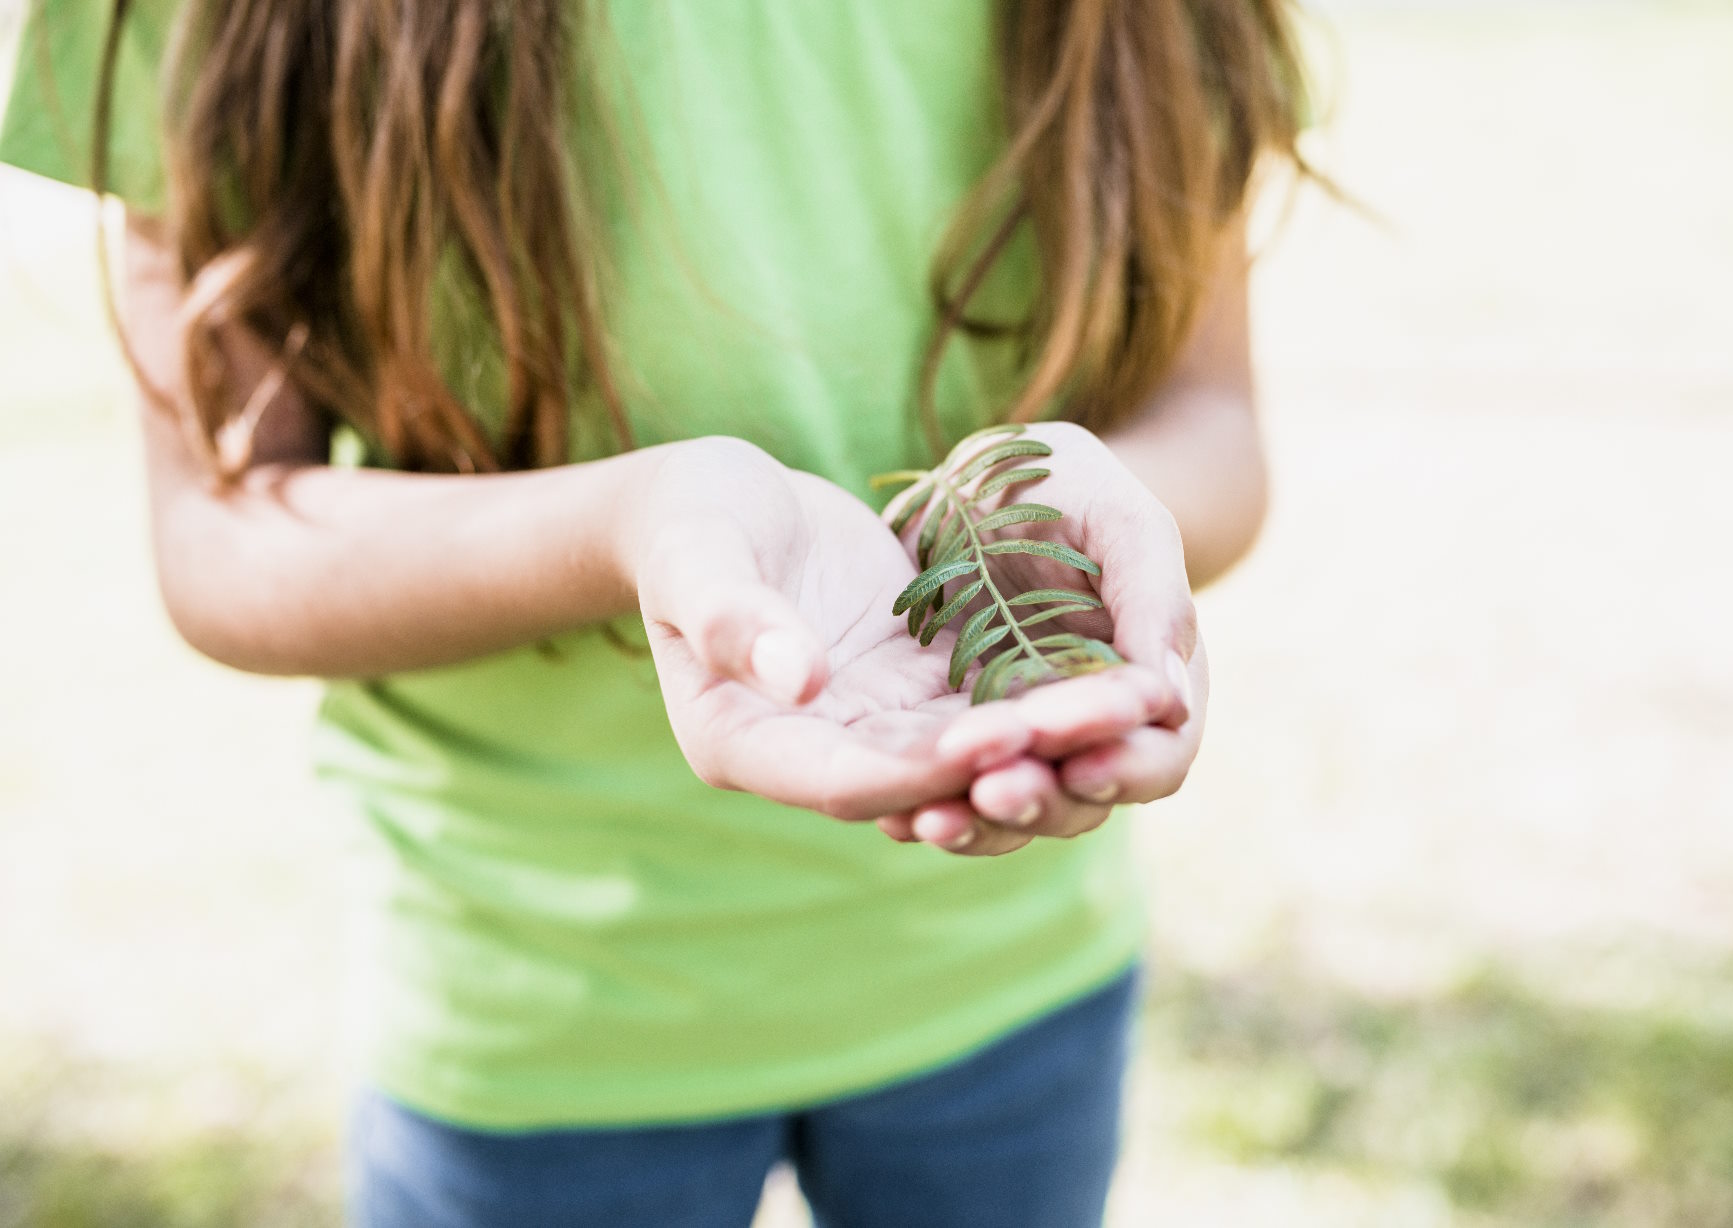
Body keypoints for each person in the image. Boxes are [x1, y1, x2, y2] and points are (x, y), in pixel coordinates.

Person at [0, 1, 1309, 1224]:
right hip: (537, 1007)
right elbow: (224, 537)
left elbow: (1213, 427)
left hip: (1013, 975)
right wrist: (628, 525)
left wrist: (1084, 502)